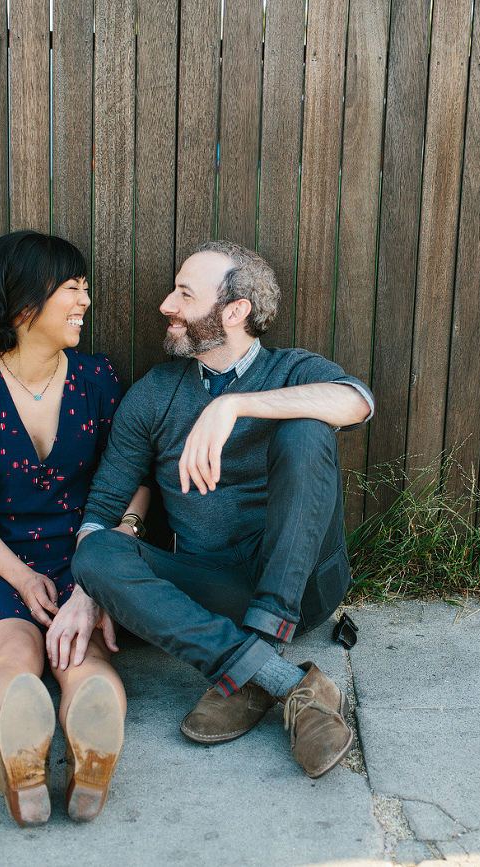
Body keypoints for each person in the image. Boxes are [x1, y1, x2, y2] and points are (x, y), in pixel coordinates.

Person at [46, 240, 373, 779]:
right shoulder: (156, 392)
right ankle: (280, 681)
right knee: (95, 554)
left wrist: (234, 403)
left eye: (184, 294)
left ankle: (257, 651)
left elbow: (356, 401)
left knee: (308, 433)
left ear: (235, 311)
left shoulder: (290, 369)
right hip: (216, 586)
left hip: (304, 585)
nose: (167, 305)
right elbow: (103, 507)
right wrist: (88, 590)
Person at [0, 231, 150, 826]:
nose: (85, 302)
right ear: (25, 303)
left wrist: (101, 571)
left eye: (85, 290)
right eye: (72, 290)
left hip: (88, 550)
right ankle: (21, 758)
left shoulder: (99, 378)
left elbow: (135, 481)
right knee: (14, 655)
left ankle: (89, 748)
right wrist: (22, 578)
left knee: (83, 659)